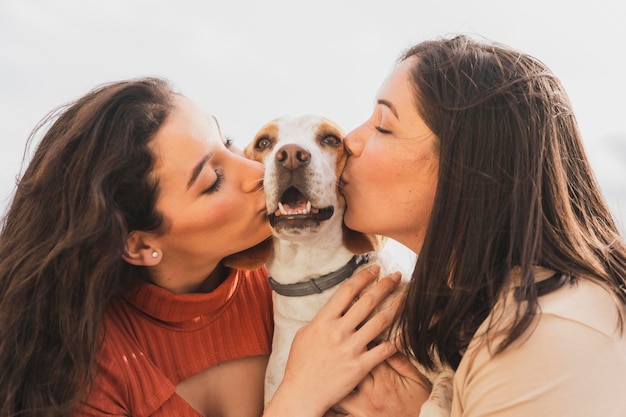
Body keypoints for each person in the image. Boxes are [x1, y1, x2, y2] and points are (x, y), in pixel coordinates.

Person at [0, 77, 401, 417]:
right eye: (212, 180)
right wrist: (298, 398)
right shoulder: (83, 374)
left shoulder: (298, 281)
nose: (257, 170)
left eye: (228, 143)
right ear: (139, 245)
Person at [290, 34, 626, 416]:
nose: (350, 140)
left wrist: (297, 397)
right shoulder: (465, 314)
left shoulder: (538, 336)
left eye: (383, 126)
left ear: (463, 167)